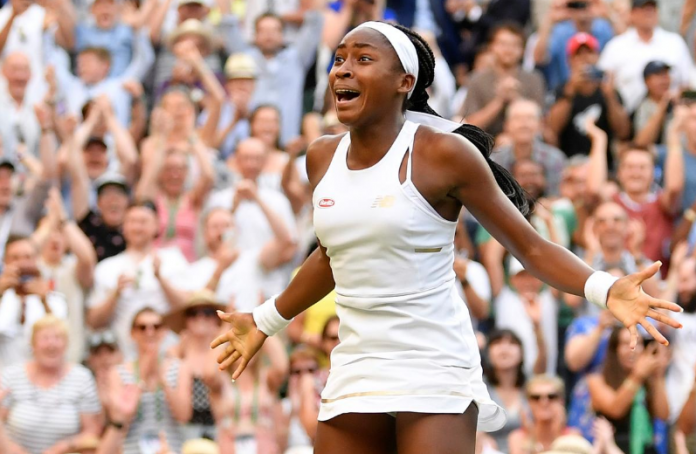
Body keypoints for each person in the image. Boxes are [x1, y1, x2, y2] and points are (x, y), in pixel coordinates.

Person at [212, 22, 681, 453]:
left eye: (362, 59)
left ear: (405, 83)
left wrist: (604, 287)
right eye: (338, 58)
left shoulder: (444, 154)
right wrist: (264, 321)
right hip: (355, 362)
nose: (343, 71)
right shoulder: (320, 157)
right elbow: (330, 257)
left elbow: (530, 246)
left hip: (432, 362)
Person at [86, 202, 188, 356]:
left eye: (143, 222)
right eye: (132, 222)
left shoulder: (173, 259)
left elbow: (188, 308)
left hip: (169, 355)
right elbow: (93, 322)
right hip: (123, 357)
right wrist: (115, 294)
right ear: (124, 226)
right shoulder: (106, 267)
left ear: (156, 225)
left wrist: (161, 279)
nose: (137, 227)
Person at [206, 138, 297, 297]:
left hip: (269, 286)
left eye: (256, 159)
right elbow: (210, 242)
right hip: (227, 286)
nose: (251, 164)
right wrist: (233, 207)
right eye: (246, 158)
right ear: (236, 160)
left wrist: (261, 265)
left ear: (264, 162)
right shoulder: (219, 199)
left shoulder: (278, 200)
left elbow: (290, 246)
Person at [0, 315, 102, 454]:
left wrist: (63, 447)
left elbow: (92, 432)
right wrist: (11, 449)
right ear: (33, 345)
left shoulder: (82, 378)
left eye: (57, 338)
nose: (51, 344)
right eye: (45, 338)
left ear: (66, 344)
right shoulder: (11, 375)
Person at [105, 307, 192, 454]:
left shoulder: (179, 368)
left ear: (164, 332)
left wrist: (162, 379)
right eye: (142, 327)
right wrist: (142, 376)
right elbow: (118, 419)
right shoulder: (118, 373)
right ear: (133, 333)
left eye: (156, 327)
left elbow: (184, 415)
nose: (150, 332)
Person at [546, 33, 630, 166]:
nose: (585, 59)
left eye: (589, 53)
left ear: (597, 57)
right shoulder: (561, 90)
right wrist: (570, 91)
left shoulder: (608, 90)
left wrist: (610, 97)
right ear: (569, 61)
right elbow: (552, 129)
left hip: (603, 164)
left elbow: (623, 132)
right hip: (569, 164)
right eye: (578, 55)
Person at [597, 0, 694, 113]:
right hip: (627, 115)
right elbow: (603, 82)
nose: (648, 13)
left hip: (671, 112)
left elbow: (688, 80)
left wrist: (677, 95)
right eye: (643, 9)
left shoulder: (675, 42)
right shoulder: (616, 46)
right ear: (632, 13)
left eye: (652, 9)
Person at [587, 326, 670, 454]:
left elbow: (663, 414)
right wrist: (636, 377)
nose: (633, 350)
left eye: (639, 344)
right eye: (626, 344)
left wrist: (658, 375)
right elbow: (615, 409)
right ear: (615, 349)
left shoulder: (647, 380)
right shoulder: (597, 380)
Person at [163, 290, 229, 441]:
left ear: (216, 319)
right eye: (193, 313)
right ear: (186, 320)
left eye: (207, 312)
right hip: (184, 435)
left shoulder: (229, 352)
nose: (200, 318)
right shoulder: (174, 355)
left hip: (223, 431)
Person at [460, 22, 546, 137]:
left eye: (515, 45)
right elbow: (470, 125)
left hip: (525, 142)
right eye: (502, 44)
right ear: (491, 46)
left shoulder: (534, 79)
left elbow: (541, 124)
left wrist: (515, 98)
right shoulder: (477, 79)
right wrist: (499, 101)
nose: (508, 49)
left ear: (523, 50)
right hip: (486, 143)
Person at [174, 208, 264, 311]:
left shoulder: (252, 258)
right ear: (205, 234)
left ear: (236, 231)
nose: (221, 231)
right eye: (215, 226)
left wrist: (257, 197)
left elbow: (285, 242)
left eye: (227, 225)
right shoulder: (196, 269)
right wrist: (221, 267)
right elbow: (196, 306)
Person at [0, 235, 68, 368]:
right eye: (15, 258)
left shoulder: (54, 299)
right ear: (5, 261)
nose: (22, 264)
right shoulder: (3, 296)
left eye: (28, 257)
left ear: (37, 260)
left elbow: (60, 335)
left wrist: (44, 301)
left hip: (44, 378)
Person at [491, 99, 567, 196]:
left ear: (540, 125)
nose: (524, 124)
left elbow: (557, 197)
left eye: (530, 118)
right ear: (506, 125)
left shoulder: (555, 158)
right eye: (517, 118)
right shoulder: (495, 160)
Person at [533, 0, 614, 91]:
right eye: (575, 6)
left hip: (597, 91)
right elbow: (539, 59)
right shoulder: (561, 31)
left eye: (586, 5)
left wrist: (609, 14)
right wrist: (550, 18)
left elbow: (626, 45)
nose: (582, 11)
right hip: (563, 89)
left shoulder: (602, 27)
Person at [495, 257, 556, 375]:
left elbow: (557, 261)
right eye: (521, 276)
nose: (528, 281)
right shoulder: (503, 299)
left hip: (543, 379)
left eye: (533, 275)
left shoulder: (549, 300)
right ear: (512, 279)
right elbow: (492, 260)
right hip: (511, 378)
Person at [483, 330, 529, 453]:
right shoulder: (479, 387)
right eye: (497, 343)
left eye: (512, 343)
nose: (504, 349)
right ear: (488, 353)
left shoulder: (532, 388)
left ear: (522, 353)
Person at [507, 375, 576, 454]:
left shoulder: (572, 436)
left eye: (551, 397)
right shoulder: (517, 438)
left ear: (561, 401)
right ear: (528, 402)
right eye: (536, 397)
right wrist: (531, 437)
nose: (544, 402)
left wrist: (557, 434)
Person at [632, 61, 675, 148]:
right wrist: (663, 106)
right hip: (655, 157)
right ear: (647, 81)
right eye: (659, 75)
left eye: (666, 74)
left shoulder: (679, 103)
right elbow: (641, 143)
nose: (664, 80)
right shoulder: (643, 106)